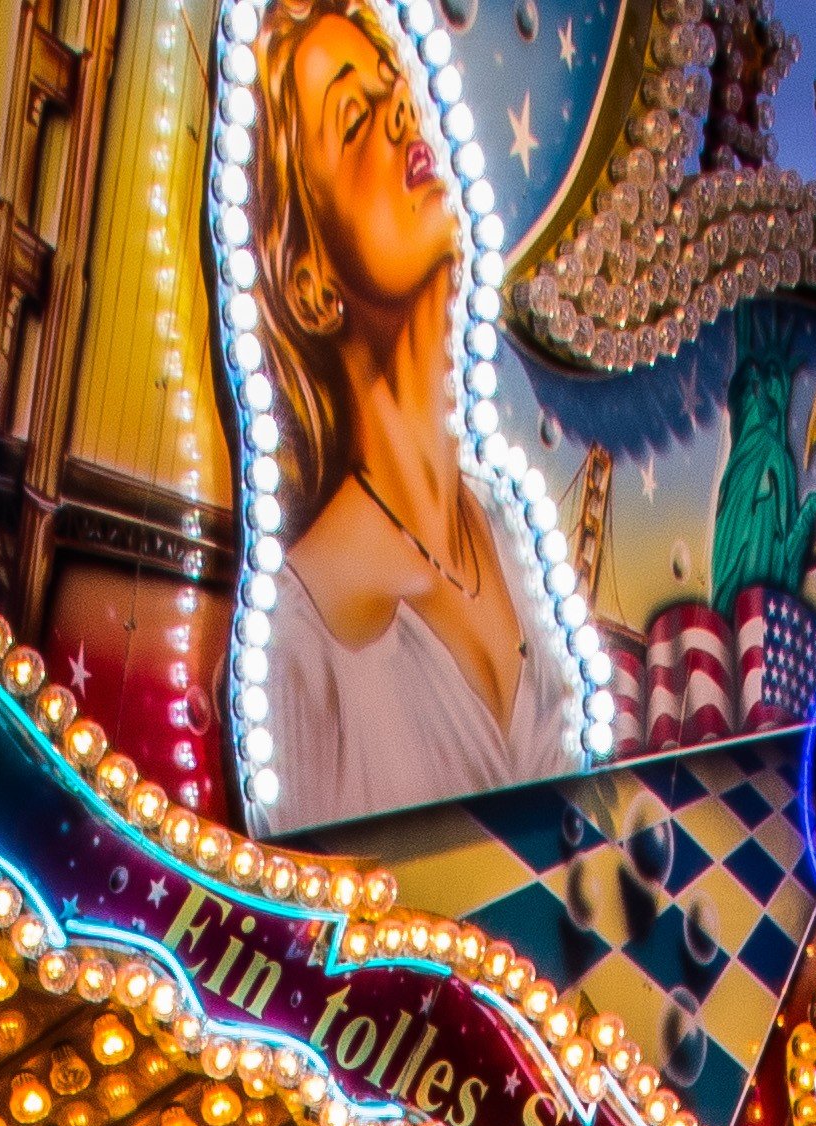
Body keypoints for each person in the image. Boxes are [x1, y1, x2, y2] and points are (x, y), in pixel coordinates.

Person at [241, 0, 578, 826]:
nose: (400, 110)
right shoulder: (300, 639)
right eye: (354, 119)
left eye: (394, 85)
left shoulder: (513, 528)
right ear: (311, 283)